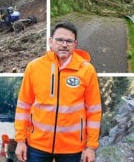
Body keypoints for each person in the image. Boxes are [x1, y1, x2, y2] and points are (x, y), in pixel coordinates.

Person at [14, 21, 102, 162]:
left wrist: (91, 147)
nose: (64, 44)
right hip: (37, 147)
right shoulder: (34, 67)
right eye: (59, 40)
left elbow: (94, 111)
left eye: (69, 41)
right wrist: (20, 140)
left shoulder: (87, 70)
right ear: (50, 42)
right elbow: (23, 106)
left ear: (75, 44)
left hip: (72, 149)